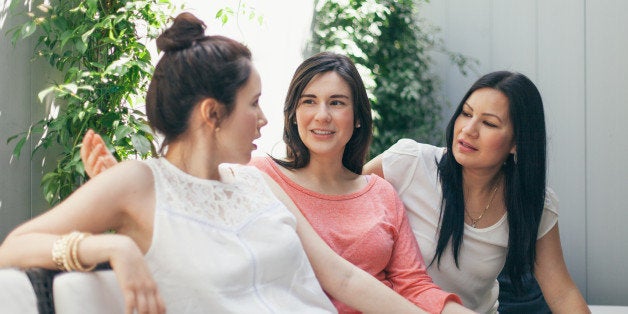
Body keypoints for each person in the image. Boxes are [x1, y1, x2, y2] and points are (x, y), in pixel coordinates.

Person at [0, 13, 426, 314]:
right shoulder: (139, 182)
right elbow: (12, 249)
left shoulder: (255, 178)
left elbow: (343, 279)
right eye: (254, 104)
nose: (264, 118)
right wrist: (113, 246)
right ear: (212, 113)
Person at [80, 52, 471, 314]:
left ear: (357, 118)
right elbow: (187, 207)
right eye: (308, 101)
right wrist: (121, 192)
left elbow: (412, 284)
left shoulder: (381, 194)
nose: (322, 115)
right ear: (293, 114)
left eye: (337, 102)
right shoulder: (256, 175)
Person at [363, 71, 590, 313]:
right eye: (466, 113)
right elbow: (340, 198)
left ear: (516, 143)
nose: (468, 130)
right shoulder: (409, 163)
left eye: (489, 123)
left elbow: (563, 294)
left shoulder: (532, 203)